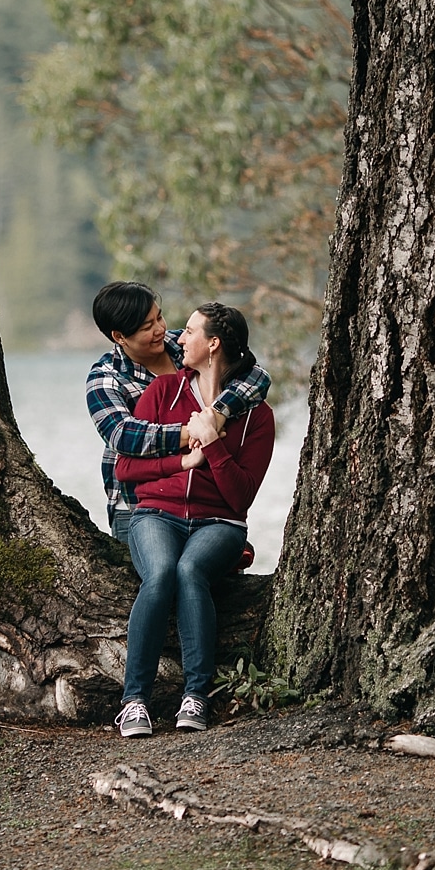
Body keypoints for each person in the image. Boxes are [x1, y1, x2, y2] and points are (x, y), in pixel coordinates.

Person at [110, 303, 274, 735]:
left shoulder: (257, 416)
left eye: (190, 332)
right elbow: (125, 469)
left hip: (220, 524)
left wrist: (214, 446)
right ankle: (134, 702)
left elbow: (240, 498)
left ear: (213, 344)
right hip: (155, 516)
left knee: (189, 570)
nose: (178, 337)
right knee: (161, 572)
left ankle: (195, 696)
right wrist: (184, 462)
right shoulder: (163, 392)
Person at [86, 281, 270, 552]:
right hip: (138, 506)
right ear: (119, 336)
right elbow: (122, 435)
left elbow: (256, 375)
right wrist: (194, 432)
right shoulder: (106, 379)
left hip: (207, 506)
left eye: (158, 316)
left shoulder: (180, 345)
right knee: (158, 581)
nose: (160, 329)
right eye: (147, 327)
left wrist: (219, 412)